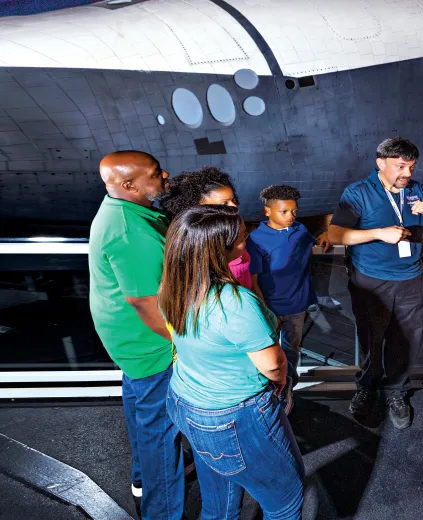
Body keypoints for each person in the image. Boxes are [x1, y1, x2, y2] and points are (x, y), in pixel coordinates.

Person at [161, 205, 305, 519]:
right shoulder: (235, 302)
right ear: (217, 251)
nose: (247, 241)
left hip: (185, 401)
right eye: (240, 239)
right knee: (286, 502)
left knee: (219, 504)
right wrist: (280, 384)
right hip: (233, 418)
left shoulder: (173, 287)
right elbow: (272, 365)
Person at [88, 150, 185, 519]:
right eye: (155, 173)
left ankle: (141, 480)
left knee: (142, 415)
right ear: (129, 184)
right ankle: (161, 513)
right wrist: (182, 346)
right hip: (151, 346)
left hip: (129, 343)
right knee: (162, 436)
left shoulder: (122, 208)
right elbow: (146, 303)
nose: (165, 175)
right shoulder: (131, 231)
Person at [328, 137, 423, 428]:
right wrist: (378, 233)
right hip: (371, 281)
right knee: (372, 338)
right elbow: (335, 235)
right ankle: (367, 387)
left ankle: (396, 392)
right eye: (400, 166)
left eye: (411, 167)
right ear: (381, 164)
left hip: (410, 279)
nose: (407, 174)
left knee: (406, 340)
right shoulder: (358, 192)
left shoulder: (418, 191)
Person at [246, 184, 321, 409]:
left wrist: (323, 237)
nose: (291, 217)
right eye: (284, 212)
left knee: (292, 350)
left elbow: (312, 242)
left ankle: (288, 390)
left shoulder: (300, 230)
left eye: (294, 211)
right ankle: (270, 393)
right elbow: (255, 279)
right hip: (271, 307)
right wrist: (266, 310)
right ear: (267, 211)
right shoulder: (256, 239)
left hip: (297, 304)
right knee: (268, 353)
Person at [159, 166, 262, 297]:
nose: (234, 207)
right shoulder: (196, 249)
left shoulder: (237, 230)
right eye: (224, 204)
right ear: (197, 207)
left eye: (234, 200)